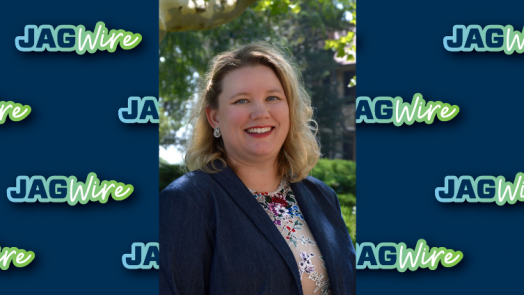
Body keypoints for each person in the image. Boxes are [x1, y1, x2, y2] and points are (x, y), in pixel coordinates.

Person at [160, 42, 355, 295]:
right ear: (214, 117)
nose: (260, 112)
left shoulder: (323, 197)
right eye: (242, 100)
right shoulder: (187, 201)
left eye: (273, 98)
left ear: (289, 109)